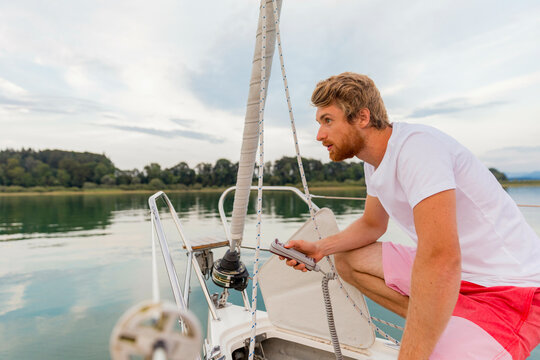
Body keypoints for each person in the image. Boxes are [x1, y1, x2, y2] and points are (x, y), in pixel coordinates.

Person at [280, 72, 540, 359]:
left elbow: (440, 257)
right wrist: (320, 248)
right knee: (348, 260)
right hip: (457, 273)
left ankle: (445, 325)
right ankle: (445, 320)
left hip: (513, 289)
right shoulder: (374, 162)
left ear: (362, 117)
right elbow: (371, 224)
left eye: (327, 120)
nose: (319, 135)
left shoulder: (417, 148)